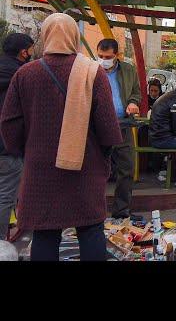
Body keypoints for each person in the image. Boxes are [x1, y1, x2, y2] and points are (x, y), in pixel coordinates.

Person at [0, 13, 122, 260]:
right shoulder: (93, 73)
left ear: (45, 37)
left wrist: (28, 151)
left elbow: (9, 124)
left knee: (45, 234)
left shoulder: (25, 74)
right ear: (74, 38)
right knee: (90, 229)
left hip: (40, 169)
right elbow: (109, 128)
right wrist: (103, 158)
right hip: (86, 168)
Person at [96, 38, 141, 218]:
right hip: (98, 127)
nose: (103, 60)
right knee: (97, 169)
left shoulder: (129, 70)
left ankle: (121, 211)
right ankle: (95, 210)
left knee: (127, 168)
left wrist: (132, 102)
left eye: (108, 56)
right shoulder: (91, 70)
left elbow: (136, 92)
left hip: (122, 124)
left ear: (117, 56)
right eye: (100, 56)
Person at [0, 32, 34, 241]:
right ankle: (2, 240)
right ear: (23, 52)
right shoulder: (23, 75)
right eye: (30, 49)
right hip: (8, 146)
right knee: (6, 194)